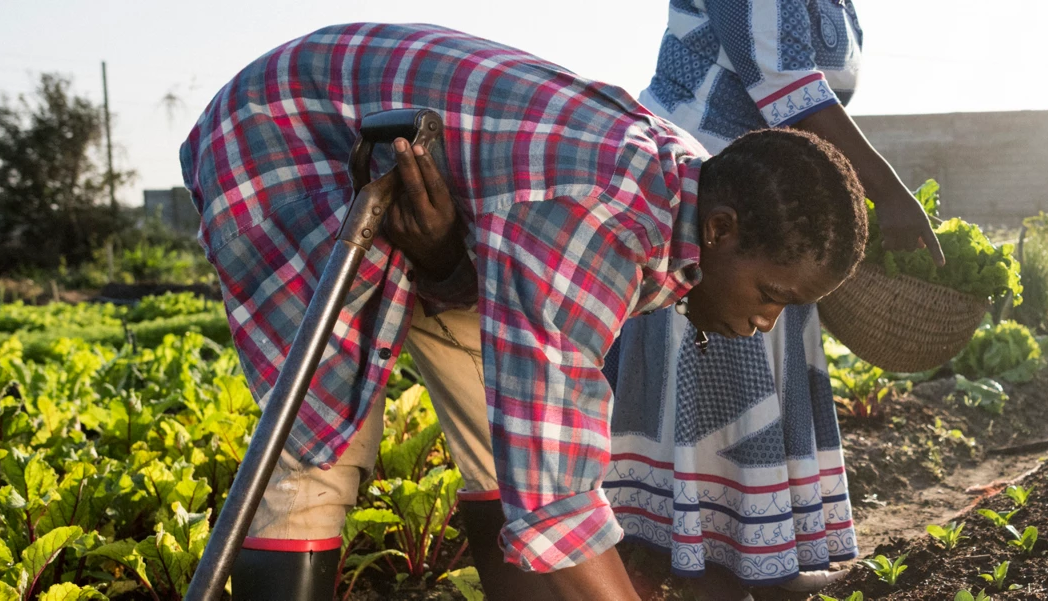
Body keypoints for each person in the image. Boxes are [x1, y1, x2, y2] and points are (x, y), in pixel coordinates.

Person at [180, 22, 870, 601]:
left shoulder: (690, 183)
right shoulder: (595, 228)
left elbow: (538, 445)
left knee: (498, 424)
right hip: (284, 134)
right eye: (772, 297)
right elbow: (560, 498)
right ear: (719, 231)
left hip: (445, 197)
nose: (764, 324)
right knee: (317, 440)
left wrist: (447, 257)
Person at [600, 2, 941, 599]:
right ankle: (703, 570)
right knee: (712, 397)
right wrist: (884, 190)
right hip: (713, 211)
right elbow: (781, 75)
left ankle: (753, 559)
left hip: (780, 223)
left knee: (750, 387)